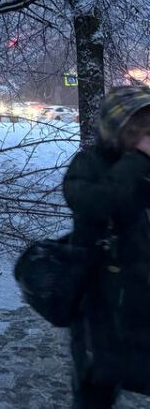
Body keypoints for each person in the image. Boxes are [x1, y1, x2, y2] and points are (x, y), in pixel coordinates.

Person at [63, 86, 150, 408]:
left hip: (140, 297)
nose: (145, 136)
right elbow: (98, 202)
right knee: (96, 386)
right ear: (115, 130)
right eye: (136, 128)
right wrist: (138, 161)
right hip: (100, 304)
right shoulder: (88, 165)